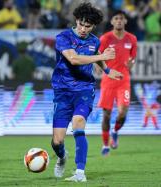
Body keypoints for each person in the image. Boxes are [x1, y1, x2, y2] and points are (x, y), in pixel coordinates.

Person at [51, 2, 123, 182]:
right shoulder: (63, 37)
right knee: (57, 142)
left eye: (88, 26)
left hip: (84, 89)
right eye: (81, 24)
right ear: (76, 20)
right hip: (62, 91)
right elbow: (74, 59)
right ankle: (61, 157)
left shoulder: (94, 41)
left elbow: (97, 55)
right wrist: (102, 57)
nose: (83, 29)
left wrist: (106, 70)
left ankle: (80, 173)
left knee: (78, 122)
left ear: (93, 26)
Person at [98, 10, 137, 156]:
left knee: (122, 112)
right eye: (116, 18)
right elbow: (99, 56)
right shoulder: (105, 38)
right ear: (112, 22)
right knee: (106, 114)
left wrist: (131, 63)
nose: (119, 21)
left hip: (124, 80)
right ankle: (105, 144)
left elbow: (132, 58)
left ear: (125, 21)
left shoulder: (132, 39)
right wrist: (103, 68)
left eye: (121, 18)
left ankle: (115, 131)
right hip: (108, 81)